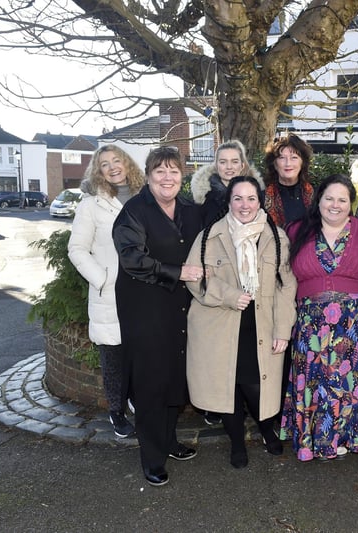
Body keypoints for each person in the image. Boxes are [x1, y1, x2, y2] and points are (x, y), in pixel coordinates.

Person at [185, 176, 297, 468]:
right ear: (229, 201)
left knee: (258, 385)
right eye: (238, 198)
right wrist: (228, 295)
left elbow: (287, 285)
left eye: (251, 199)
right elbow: (195, 279)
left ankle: (265, 430)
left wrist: (284, 329)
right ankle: (236, 442)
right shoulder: (209, 235)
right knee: (228, 386)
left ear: (260, 201)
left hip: (261, 324)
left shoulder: (276, 236)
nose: (245, 205)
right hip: (219, 324)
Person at [112, 146, 204, 487]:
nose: (168, 178)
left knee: (173, 378)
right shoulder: (134, 211)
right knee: (151, 383)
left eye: (174, 172)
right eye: (160, 172)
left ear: (183, 176)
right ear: (149, 176)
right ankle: (152, 458)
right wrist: (177, 271)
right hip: (144, 310)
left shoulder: (190, 211)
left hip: (179, 309)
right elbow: (132, 259)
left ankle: (168, 441)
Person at [280, 174, 358, 461]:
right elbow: (284, 279)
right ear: (319, 200)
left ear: (351, 204)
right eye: (329, 198)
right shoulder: (296, 231)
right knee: (315, 380)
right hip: (311, 323)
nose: (335, 205)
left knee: (349, 381)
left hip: (357, 325)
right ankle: (315, 439)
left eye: (342, 199)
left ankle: (347, 437)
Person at [68, 145, 144, 438]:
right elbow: (77, 249)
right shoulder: (91, 205)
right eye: (104, 164)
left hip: (143, 289)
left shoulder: (143, 196)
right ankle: (116, 410)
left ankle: (136, 399)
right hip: (110, 292)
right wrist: (101, 278)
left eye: (117, 161)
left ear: (127, 163)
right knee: (113, 357)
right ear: (97, 172)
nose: (113, 167)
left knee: (138, 352)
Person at [191, 139, 264, 227]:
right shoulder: (204, 199)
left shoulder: (259, 196)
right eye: (223, 162)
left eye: (234, 162)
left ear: (242, 165)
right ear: (216, 166)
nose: (229, 167)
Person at [263, 134, 315, 228]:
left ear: (302, 162)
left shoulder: (316, 196)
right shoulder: (262, 198)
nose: (288, 163)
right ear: (274, 163)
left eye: (294, 157)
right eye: (282, 158)